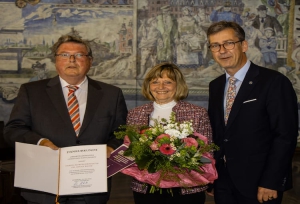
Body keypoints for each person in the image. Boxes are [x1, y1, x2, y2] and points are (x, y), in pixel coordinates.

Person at [4, 34, 128, 204]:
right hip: (43, 188)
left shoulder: (111, 94)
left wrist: (111, 147)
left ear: (90, 61)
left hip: (91, 189)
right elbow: (13, 129)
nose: (71, 59)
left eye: (79, 55)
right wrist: (41, 142)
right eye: (64, 55)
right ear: (56, 61)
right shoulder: (31, 92)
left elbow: (122, 131)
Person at [206, 21, 298, 204]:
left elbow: (285, 136)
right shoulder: (215, 86)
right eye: (215, 45)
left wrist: (272, 182)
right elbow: (218, 134)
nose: (222, 50)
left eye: (229, 43)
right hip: (223, 182)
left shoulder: (274, 82)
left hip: (260, 184)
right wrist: (213, 178)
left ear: (244, 45)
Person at [125, 62, 212, 204]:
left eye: (167, 82)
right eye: (155, 82)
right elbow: (130, 149)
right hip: (146, 189)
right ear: (148, 85)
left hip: (186, 189)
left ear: (178, 85)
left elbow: (207, 152)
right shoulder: (135, 114)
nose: (160, 87)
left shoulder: (197, 113)